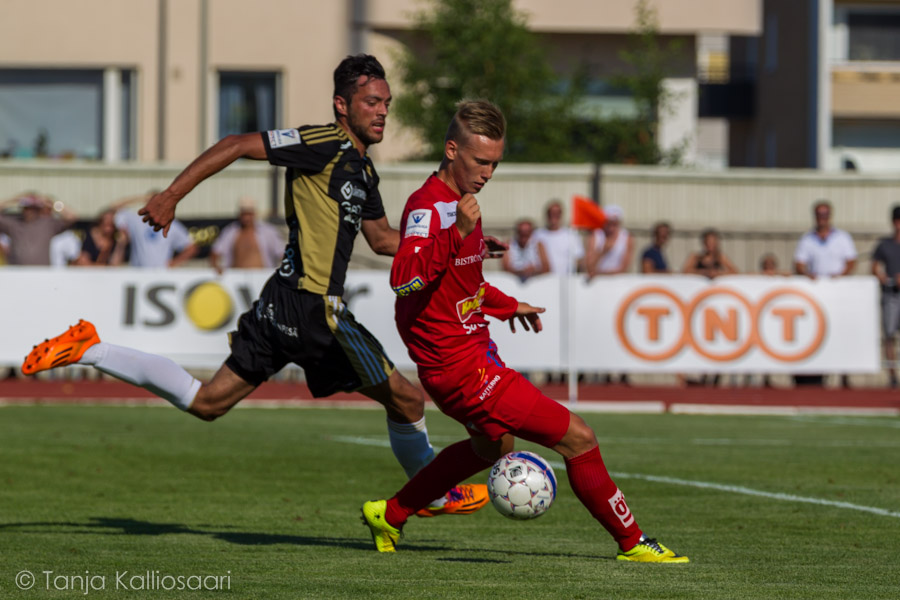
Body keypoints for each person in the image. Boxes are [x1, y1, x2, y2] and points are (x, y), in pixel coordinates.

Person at [21, 54, 487, 518]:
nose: (383, 111)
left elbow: (384, 239)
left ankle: (89, 348)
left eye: (386, 101)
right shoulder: (321, 142)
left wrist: (461, 238)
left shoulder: (363, 172)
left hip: (280, 301)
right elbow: (237, 142)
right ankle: (433, 493)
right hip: (312, 307)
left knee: (207, 402)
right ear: (341, 106)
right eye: (371, 102)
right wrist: (170, 196)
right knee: (406, 399)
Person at [361, 100, 688, 563]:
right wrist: (458, 234)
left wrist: (509, 305)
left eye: (495, 163)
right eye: (480, 162)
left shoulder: (460, 208)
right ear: (452, 150)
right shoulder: (429, 208)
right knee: (579, 437)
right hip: (462, 370)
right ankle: (633, 542)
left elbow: (461, 286)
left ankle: (390, 514)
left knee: (493, 445)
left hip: (474, 357)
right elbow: (405, 278)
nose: (488, 173)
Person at [793, 200, 857, 387]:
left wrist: (840, 275)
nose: (822, 218)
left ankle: (844, 377)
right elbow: (799, 263)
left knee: (840, 333)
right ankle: (816, 375)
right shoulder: (807, 239)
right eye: (819, 214)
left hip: (838, 295)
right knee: (817, 332)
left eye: (825, 214)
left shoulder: (842, 237)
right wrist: (807, 274)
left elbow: (851, 262)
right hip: (816, 296)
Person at [114, 194, 198, 268]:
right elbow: (114, 207)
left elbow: (191, 248)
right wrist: (140, 198)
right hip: (137, 273)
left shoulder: (173, 225)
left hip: (160, 274)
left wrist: (172, 264)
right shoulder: (136, 219)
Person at [209, 197, 285, 274]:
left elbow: (281, 253)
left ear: (254, 213)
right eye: (244, 214)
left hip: (262, 276)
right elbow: (216, 251)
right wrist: (216, 268)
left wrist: (285, 271)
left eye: (249, 214)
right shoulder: (230, 231)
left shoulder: (268, 231)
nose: (246, 218)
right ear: (239, 214)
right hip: (235, 277)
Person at [0, 193, 77, 265]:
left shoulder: (48, 224)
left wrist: (52, 204)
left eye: (33, 208)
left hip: (41, 273)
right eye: (27, 208)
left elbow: (71, 217)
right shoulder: (14, 224)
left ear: (38, 209)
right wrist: (13, 200)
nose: (30, 211)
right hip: (18, 272)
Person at [871, 205, 900, 388]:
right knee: (889, 335)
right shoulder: (885, 244)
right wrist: (881, 275)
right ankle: (893, 375)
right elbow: (874, 266)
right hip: (890, 295)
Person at [532, 200, 584, 275]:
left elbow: (578, 259)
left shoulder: (571, 235)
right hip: (542, 280)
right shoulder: (537, 235)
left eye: (557, 213)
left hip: (564, 281)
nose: (554, 216)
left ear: (561, 215)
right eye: (551, 213)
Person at [585, 204, 634, 277]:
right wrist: (602, 252)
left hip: (617, 282)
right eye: (609, 224)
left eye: (615, 225)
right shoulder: (596, 235)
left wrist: (600, 274)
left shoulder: (627, 237)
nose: (611, 229)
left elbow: (624, 268)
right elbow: (589, 266)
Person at [501, 218, 549, 282]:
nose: (523, 237)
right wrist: (521, 272)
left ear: (531, 233)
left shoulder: (538, 245)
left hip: (535, 282)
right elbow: (505, 268)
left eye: (527, 233)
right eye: (521, 233)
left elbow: (546, 268)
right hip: (513, 282)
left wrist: (534, 270)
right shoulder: (509, 244)